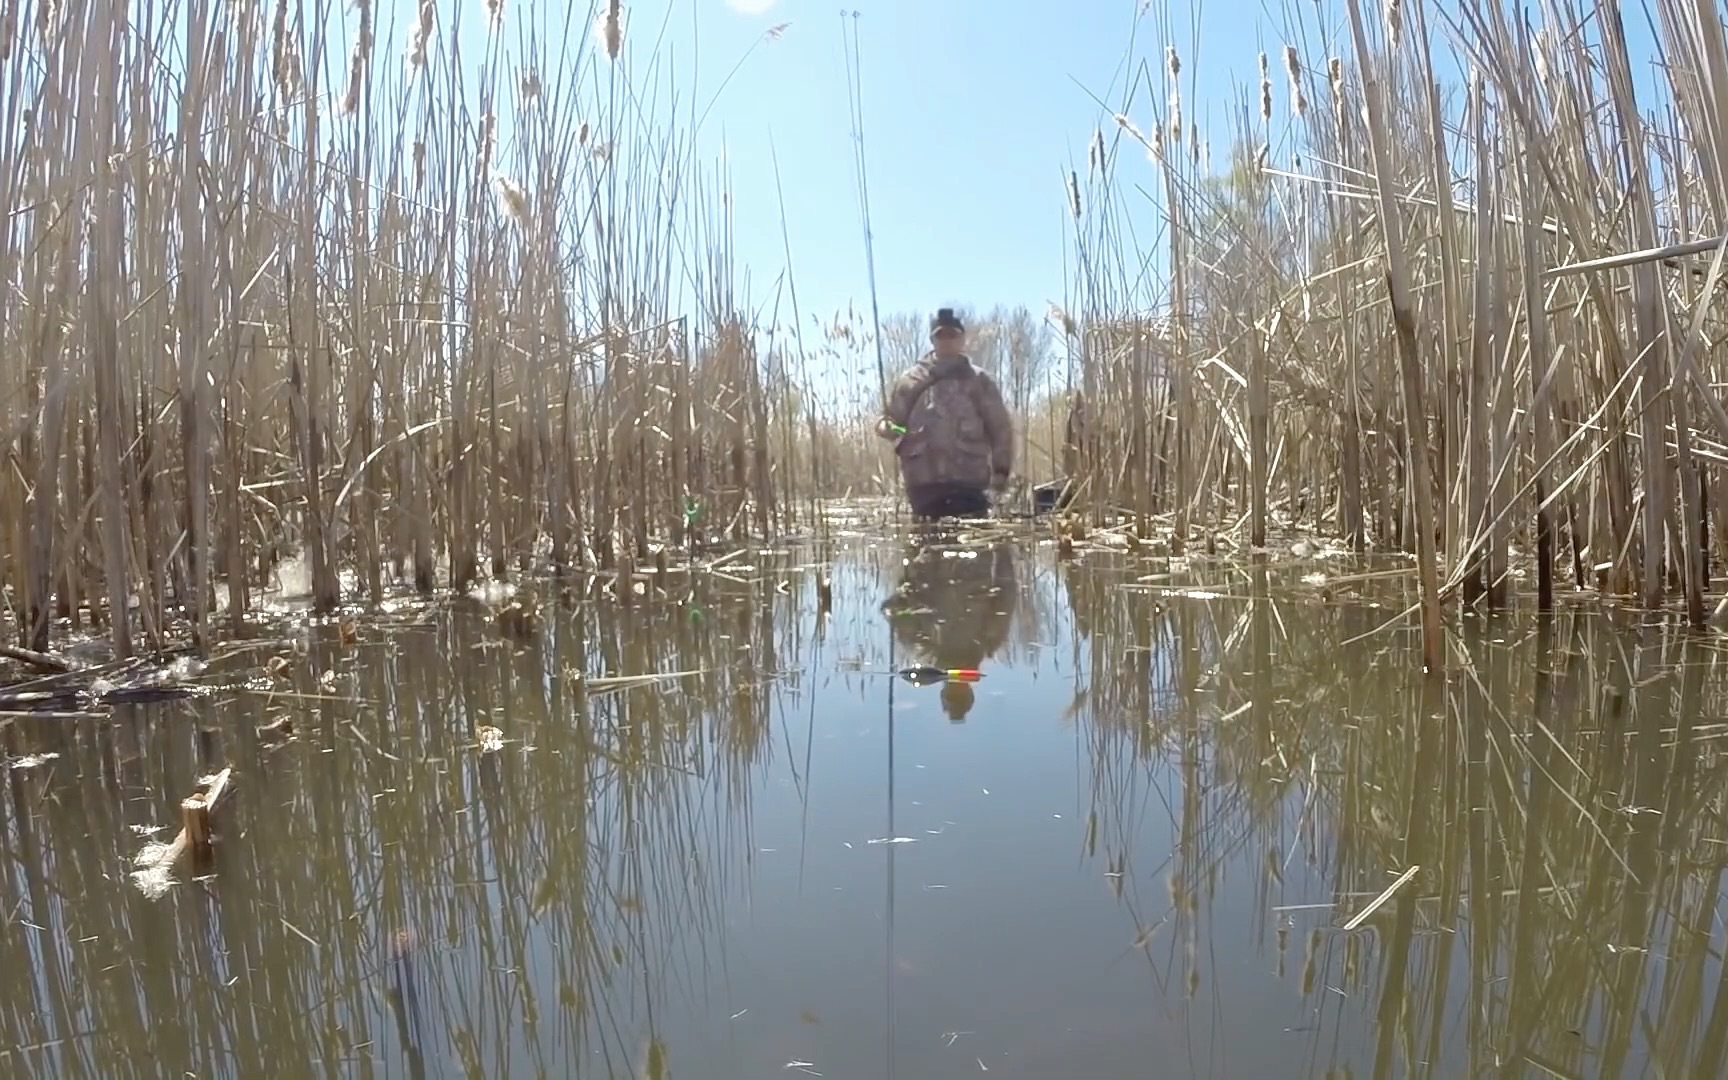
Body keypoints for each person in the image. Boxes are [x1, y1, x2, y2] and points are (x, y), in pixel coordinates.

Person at [874, 308, 1014, 519]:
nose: (947, 340)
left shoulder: (980, 381)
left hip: (970, 484)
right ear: (932, 339)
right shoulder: (911, 381)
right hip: (923, 485)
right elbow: (888, 420)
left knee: (974, 543)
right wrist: (888, 427)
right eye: (941, 335)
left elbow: (1000, 429)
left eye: (952, 335)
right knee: (924, 544)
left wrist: (1001, 474)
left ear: (962, 339)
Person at [881, 538, 1020, 722]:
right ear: (969, 690)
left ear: (944, 690)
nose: (957, 688)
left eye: (953, 694)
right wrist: (1003, 551)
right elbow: (1007, 592)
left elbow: (898, 611)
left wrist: (901, 597)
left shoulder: (925, 649)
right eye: (960, 695)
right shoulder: (987, 642)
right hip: (971, 548)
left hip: (938, 550)